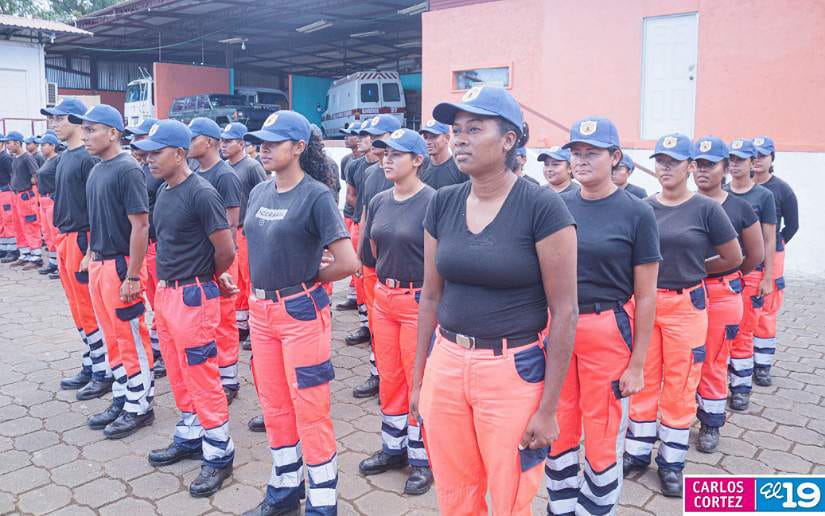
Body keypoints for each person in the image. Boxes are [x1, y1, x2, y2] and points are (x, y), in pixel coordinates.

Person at [412, 86, 578, 515]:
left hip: (510, 372)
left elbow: (565, 311)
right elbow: (430, 296)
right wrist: (419, 380)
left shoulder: (543, 207)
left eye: (474, 128)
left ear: (509, 140)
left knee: (509, 496)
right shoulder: (442, 204)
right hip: (446, 364)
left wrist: (548, 408)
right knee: (455, 492)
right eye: (456, 130)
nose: (460, 138)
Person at [241, 111, 359, 516]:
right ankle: (285, 489)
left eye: (275, 141)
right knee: (274, 405)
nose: (265, 147)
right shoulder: (259, 192)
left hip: (301, 313)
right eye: (262, 141)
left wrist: (311, 276)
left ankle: (323, 501)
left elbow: (348, 261)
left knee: (310, 408)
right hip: (261, 312)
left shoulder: (316, 196)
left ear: (298, 148)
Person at [546, 117, 660, 516]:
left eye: (591, 153)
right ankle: (560, 506)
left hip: (608, 329)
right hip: (558, 326)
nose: (580, 160)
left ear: (615, 157)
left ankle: (595, 508)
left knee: (602, 429)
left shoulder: (637, 212)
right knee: (557, 423)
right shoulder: (557, 205)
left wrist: (639, 364)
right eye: (575, 153)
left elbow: (646, 296)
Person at [624, 133, 742, 497]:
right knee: (643, 376)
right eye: (660, 161)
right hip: (644, 302)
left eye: (673, 161)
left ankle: (671, 462)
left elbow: (734, 257)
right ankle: (638, 452)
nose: (665, 168)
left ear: (689, 167)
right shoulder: (643, 206)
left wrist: (694, 268)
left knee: (680, 383)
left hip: (685, 306)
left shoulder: (706, 208)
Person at [134, 119, 237, 497]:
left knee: (202, 376)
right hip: (166, 295)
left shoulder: (202, 193)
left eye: (157, 152)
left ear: (179, 154)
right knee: (178, 373)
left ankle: (219, 453)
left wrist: (207, 277)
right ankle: (192, 435)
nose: (149, 159)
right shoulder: (164, 190)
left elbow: (225, 249)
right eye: (147, 152)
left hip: (193, 297)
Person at [358, 129, 435, 495]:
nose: (387, 159)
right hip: (383, 298)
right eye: (385, 152)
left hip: (418, 302)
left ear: (418, 160)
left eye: (397, 154)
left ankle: (422, 459)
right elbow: (370, 250)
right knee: (389, 376)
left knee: (416, 379)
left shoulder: (434, 202)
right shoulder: (379, 200)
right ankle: (393, 447)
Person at [70, 104, 155, 438]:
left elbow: (141, 225)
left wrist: (133, 275)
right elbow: (95, 219)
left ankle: (140, 405)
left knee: (131, 336)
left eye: (92, 130)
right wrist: (90, 255)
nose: (86, 136)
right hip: (100, 264)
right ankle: (123, 394)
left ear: (114, 133)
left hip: (121, 266)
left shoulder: (127, 169)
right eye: (85, 130)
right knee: (111, 335)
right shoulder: (97, 171)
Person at [692, 136, 763, 453]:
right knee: (684, 363)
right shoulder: (685, 203)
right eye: (698, 164)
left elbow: (753, 255)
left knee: (714, 361)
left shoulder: (740, 207)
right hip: (686, 294)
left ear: (724, 168)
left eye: (711, 164)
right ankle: (676, 421)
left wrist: (725, 273)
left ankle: (710, 423)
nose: (702, 171)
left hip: (721, 295)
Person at [41, 98, 113, 398]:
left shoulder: (87, 159)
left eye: (59, 119)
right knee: (77, 308)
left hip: (83, 238)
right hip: (66, 237)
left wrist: (91, 249)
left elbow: (98, 207)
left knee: (91, 308)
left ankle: (104, 369)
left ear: (75, 120)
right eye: (53, 119)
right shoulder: (64, 156)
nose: (54, 125)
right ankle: (91, 359)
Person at [188, 117, 243, 403]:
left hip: (220, 259)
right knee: (206, 321)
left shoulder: (224, 175)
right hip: (201, 260)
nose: (187, 143)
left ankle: (229, 379)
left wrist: (220, 265)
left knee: (223, 320)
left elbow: (231, 225)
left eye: (192, 137)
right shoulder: (196, 170)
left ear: (208, 141)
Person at [351, 114, 402, 399]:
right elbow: (366, 216)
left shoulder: (418, 172)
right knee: (376, 326)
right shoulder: (370, 172)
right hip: (373, 267)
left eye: (375, 136)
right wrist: (360, 257)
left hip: (400, 268)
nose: (368, 140)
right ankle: (377, 373)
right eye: (369, 136)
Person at [724, 138, 777, 411]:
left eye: (741, 160)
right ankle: (720, 386)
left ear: (751, 163)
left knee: (744, 330)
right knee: (723, 335)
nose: (735, 165)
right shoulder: (721, 193)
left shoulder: (763, 196)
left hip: (751, 273)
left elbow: (770, 239)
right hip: (724, 275)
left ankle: (741, 387)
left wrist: (768, 276)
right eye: (731, 159)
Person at [751, 136, 798, 388]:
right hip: (745, 255)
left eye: (763, 155)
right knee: (746, 310)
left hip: (773, 255)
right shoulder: (736, 186)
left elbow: (792, 225)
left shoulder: (782, 189)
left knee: (767, 311)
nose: (757, 159)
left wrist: (775, 247)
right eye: (754, 155)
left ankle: (763, 365)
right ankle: (740, 362)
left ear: (772, 159)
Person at [125, 117, 167, 379]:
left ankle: (162, 347)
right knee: (155, 301)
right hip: (147, 246)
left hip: (159, 245)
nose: (135, 142)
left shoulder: (159, 174)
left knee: (162, 301)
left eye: (141, 138)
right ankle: (159, 344)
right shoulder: (140, 169)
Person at [221, 122, 267, 352]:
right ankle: (241, 322)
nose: (224, 145)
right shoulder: (224, 168)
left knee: (250, 278)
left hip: (247, 230)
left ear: (242, 144)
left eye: (229, 141)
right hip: (231, 230)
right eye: (222, 140)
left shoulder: (251, 167)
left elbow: (264, 196)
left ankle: (254, 325)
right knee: (236, 279)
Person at [336, 124, 365, 312]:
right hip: (350, 214)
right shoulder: (347, 161)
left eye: (352, 135)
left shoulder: (370, 164)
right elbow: (350, 191)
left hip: (363, 217)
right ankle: (354, 295)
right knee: (353, 257)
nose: (348, 138)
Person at [5, 132, 42, 269]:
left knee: (30, 225)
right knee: (19, 226)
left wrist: (30, 187)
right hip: (16, 196)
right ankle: (25, 254)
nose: (7, 146)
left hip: (26, 196)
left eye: (9, 143)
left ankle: (36, 257)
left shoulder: (27, 158)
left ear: (17, 143)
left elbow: (36, 175)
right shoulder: (15, 158)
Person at [35, 132, 61, 276]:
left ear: (52, 146)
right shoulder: (47, 160)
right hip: (43, 200)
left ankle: (60, 265)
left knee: (55, 233)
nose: (41, 148)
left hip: (52, 200)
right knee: (47, 234)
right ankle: (53, 263)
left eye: (44, 145)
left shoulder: (58, 160)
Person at [418, 119, 467, 190]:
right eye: (426, 137)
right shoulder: (421, 165)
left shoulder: (460, 166)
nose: (428, 142)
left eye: (434, 136)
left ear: (447, 138)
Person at [0, 136, 17, 261]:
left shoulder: (6, 158)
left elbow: (13, 175)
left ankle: (12, 249)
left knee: (9, 219)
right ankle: (4, 248)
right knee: (1, 221)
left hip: (6, 192)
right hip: (1, 192)